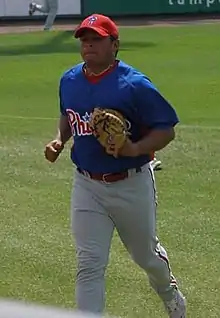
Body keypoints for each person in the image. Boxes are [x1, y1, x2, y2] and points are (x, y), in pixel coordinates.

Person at [44, 14, 186, 318]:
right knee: (89, 263)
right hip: (87, 185)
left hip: (131, 183)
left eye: (96, 39)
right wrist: (59, 139)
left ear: (115, 45)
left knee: (146, 257)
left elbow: (166, 129)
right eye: (84, 40)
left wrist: (134, 148)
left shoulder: (134, 84)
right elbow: (68, 116)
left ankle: (169, 292)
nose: (89, 45)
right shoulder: (69, 80)